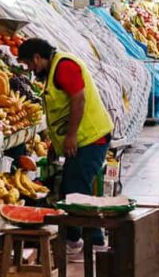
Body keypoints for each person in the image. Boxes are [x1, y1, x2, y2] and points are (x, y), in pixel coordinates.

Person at [18, 38, 113, 261]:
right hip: (82, 140)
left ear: (37, 57)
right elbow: (60, 111)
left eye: (29, 64)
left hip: (91, 137)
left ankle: (88, 242)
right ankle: (81, 241)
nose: (29, 69)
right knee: (73, 189)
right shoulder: (53, 71)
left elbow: (78, 100)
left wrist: (70, 136)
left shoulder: (64, 66)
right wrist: (56, 144)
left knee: (76, 189)